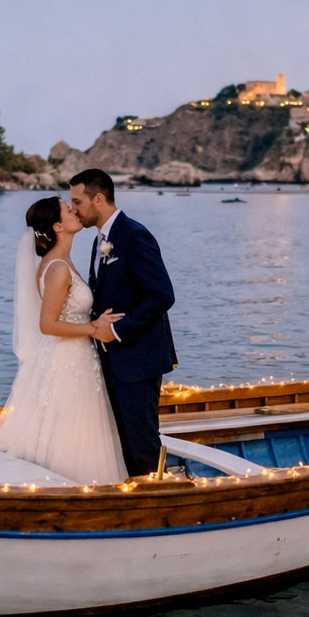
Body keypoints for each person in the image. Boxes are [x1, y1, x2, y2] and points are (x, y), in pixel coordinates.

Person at [0, 196, 128, 485]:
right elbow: (47, 324)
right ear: (57, 226)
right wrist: (93, 328)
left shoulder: (62, 262)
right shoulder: (57, 268)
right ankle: (70, 486)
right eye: (68, 209)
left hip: (76, 356)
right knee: (71, 426)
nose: (74, 210)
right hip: (67, 360)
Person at [67, 168, 178, 478]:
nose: (74, 209)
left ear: (98, 199)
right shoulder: (100, 241)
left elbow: (162, 295)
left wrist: (116, 330)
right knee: (122, 444)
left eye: (77, 202)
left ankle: (156, 500)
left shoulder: (134, 234)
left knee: (142, 444)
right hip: (112, 361)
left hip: (137, 359)